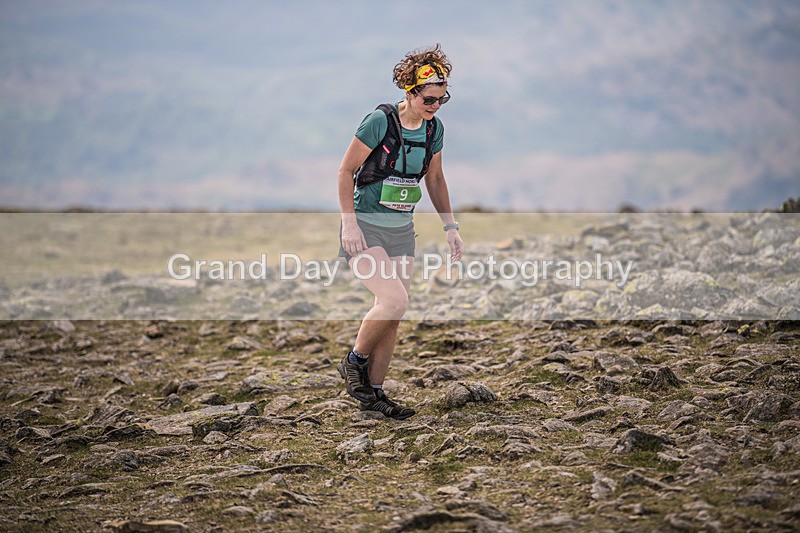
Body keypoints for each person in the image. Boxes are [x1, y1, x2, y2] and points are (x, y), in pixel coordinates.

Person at [336, 44, 463, 420]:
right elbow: (345, 172)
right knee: (394, 301)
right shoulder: (379, 122)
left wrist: (451, 227)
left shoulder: (434, 129)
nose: (435, 106)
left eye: (442, 99)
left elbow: (435, 179)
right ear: (410, 91)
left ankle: (373, 395)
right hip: (365, 229)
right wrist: (349, 222)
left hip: (401, 232)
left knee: (392, 315)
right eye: (429, 98)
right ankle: (353, 362)